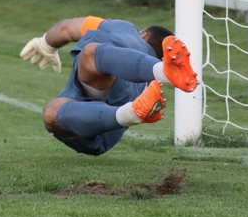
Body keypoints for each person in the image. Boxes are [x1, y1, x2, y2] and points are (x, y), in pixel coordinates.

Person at [19, 16, 198, 156]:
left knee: (91, 54)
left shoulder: (121, 27)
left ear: (143, 35)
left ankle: (162, 73)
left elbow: (65, 28)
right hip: (112, 119)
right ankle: (132, 111)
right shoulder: (147, 83)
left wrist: (45, 44)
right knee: (51, 112)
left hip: (106, 95)